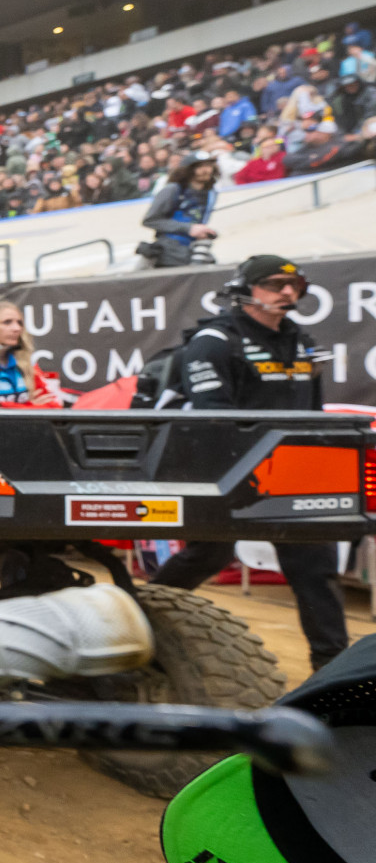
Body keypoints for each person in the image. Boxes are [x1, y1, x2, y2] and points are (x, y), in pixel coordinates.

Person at [150, 255, 350, 670]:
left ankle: (334, 678)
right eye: (276, 284)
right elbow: (212, 417)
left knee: (316, 570)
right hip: (225, 469)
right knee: (210, 554)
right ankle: (137, 612)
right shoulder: (214, 341)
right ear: (245, 290)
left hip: (291, 472)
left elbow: (312, 414)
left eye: (296, 286)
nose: (288, 293)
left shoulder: (303, 342)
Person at [141, 151, 218, 268]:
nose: (205, 170)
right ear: (188, 170)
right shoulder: (173, 189)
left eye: (208, 166)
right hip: (170, 250)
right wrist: (188, 228)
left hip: (193, 247)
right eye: (200, 166)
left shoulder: (211, 194)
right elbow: (150, 220)